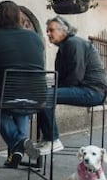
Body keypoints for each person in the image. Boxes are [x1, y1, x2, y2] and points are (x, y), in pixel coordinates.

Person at [0, 1, 44, 168]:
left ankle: (20, 141)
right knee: (21, 108)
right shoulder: (35, 37)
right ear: (19, 17)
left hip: (7, 95)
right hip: (38, 96)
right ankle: (16, 153)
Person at [37, 16, 107, 155]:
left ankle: (53, 140)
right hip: (84, 89)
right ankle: (47, 139)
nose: (48, 34)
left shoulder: (73, 43)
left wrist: (55, 90)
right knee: (43, 94)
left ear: (64, 31)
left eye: (51, 30)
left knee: (44, 95)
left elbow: (76, 75)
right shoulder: (65, 46)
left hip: (93, 92)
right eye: (47, 31)